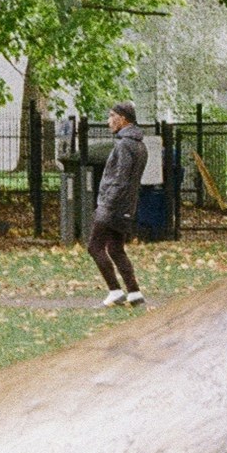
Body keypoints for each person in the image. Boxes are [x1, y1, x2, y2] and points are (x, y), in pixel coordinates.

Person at [88, 103, 148, 308]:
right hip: (127, 206)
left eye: (112, 116)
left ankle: (115, 291)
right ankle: (134, 293)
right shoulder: (139, 144)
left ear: (123, 119)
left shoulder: (124, 145)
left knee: (94, 247)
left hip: (113, 206)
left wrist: (106, 204)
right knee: (115, 248)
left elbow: (120, 179)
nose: (108, 121)